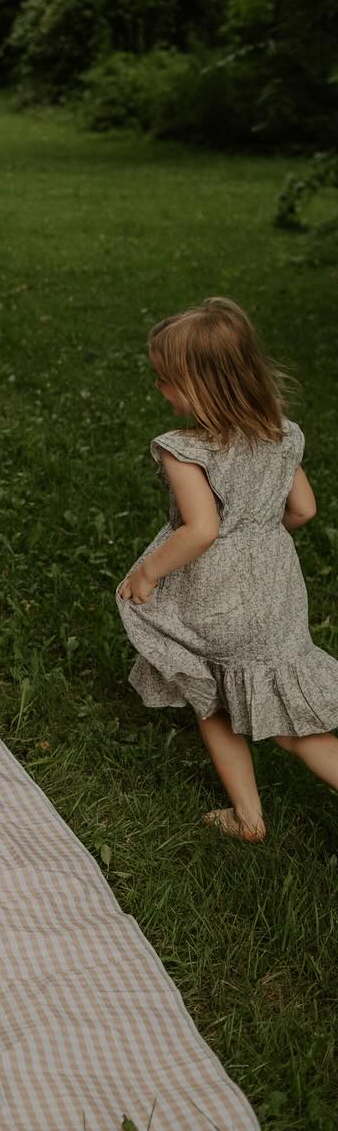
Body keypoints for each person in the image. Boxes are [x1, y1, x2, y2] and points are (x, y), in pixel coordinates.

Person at [118, 297, 338, 841]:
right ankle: (247, 819)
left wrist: (146, 574)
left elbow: (202, 529)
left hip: (218, 597)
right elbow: (305, 510)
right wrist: (260, 537)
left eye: (164, 379)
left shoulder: (184, 449)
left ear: (199, 385)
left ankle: (248, 816)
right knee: (271, 706)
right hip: (277, 589)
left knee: (212, 695)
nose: (158, 389)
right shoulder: (281, 433)